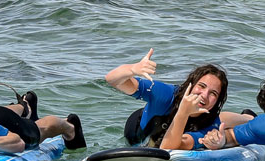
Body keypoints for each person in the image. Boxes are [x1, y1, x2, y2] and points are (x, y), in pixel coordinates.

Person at [104, 49, 252, 150]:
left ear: (218, 100)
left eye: (213, 93)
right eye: (201, 86)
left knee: (222, 120)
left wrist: (184, 113)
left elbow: (167, 149)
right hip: (139, 130)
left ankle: (248, 116)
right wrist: (132, 69)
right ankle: (248, 116)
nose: (204, 95)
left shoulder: (210, 123)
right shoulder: (165, 94)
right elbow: (112, 79)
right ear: (190, 85)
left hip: (175, 136)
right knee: (221, 118)